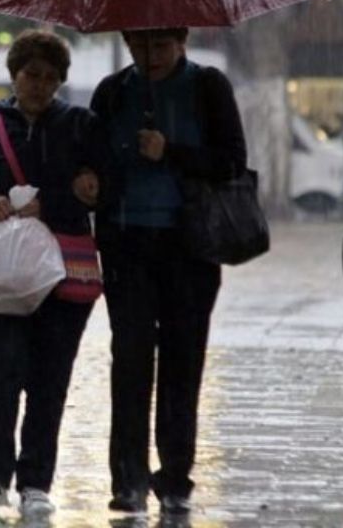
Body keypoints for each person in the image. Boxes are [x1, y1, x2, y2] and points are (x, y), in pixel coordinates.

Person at [83, 26, 246, 516]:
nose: (148, 56)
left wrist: (169, 151)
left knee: (182, 363)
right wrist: (93, 177)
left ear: (180, 42)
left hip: (189, 249)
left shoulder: (208, 86)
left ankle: (175, 478)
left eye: (158, 46)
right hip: (127, 246)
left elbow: (231, 162)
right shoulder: (112, 92)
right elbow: (91, 155)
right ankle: (127, 480)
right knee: (129, 362)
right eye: (138, 46)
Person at [0, 30, 102, 519]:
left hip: (60, 274)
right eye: (33, 75)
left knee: (50, 376)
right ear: (14, 74)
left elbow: (99, 185)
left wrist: (58, 198)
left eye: (51, 78)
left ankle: (37, 481)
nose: (40, 85)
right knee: (3, 365)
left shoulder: (79, 126)